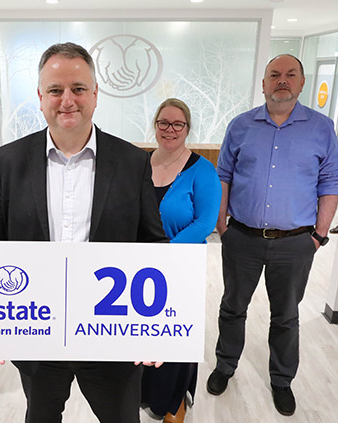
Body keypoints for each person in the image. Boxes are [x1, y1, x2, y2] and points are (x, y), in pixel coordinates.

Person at [0, 42, 168, 423]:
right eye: (55, 90)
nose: (67, 100)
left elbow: (153, 243)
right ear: (40, 97)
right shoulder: (9, 160)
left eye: (78, 89)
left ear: (95, 94)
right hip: (37, 334)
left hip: (111, 334)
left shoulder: (133, 162)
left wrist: (156, 328)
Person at [206, 54, 338, 416]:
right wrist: (223, 228)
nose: (282, 80)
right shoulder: (241, 125)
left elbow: (330, 181)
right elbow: (224, 176)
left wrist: (319, 235)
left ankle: (281, 380)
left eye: (290, 75)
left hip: (296, 242)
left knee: (286, 315)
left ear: (301, 83)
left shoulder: (321, 127)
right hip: (243, 238)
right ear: (264, 84)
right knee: (233, 307)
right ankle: (225, 366)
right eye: (274, 75)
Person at [140, 98, 221, 423]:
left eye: (178, 124)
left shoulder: (202, 170)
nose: (169, 130)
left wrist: (166, 252)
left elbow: (205, 223)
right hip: (140, 267)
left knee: (173, 334)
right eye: (163, 123)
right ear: (155, 126)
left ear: (187, 129)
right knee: (143, 332)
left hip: (180, 268)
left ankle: (174, 404)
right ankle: (145, 395)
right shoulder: (139, 164)